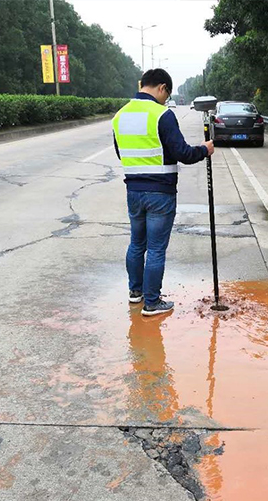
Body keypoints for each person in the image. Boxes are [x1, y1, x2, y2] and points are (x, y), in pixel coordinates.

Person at [112, 69, 214, 316]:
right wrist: (205, 149)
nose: (165, 99)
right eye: (166, 94)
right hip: (160, 193)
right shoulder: (162, 114)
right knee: (156, 248)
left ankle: (135, 293)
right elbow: (183, 153)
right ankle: (152, 302)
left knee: (137, 243)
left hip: (133, 191)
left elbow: (120, 153)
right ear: (161, 88)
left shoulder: (120, 115)